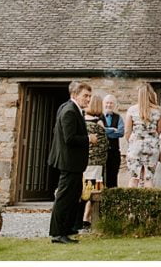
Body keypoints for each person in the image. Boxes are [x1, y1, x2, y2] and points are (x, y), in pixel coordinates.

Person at [48, 81, 97, 245]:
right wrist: (89, 138)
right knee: (64, 198)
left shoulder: (71, 108)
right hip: (69, 162)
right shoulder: (69, 111)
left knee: (72, 196)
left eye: (89, 96)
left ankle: (67, 229)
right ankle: (57, 234)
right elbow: (69, 138)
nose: (88, 99)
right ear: (75, 95)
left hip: (73, 162)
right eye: (85, 96)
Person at [124, 82, 161, 188]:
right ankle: (149, 204)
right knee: (148, 178)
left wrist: (133, 142)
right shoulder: (158, 111)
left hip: (135, 146)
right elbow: (160, 130)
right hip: (152, 146)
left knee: (134, 178)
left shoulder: (132, 110)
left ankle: (130, 204)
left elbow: (127, 132)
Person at [79, 92, 108, 230]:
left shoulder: (80, 121)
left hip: (82, 161)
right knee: (93, 190)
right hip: (95, 163)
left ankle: (79, 217)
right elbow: (103, 145)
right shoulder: (99, 123)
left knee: (83, 188)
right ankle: (87, 217)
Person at [101, 94, 124, 189]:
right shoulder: (99, 116)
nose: (109, 105)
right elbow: (99, 131)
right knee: (101, 177)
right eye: (107, 103)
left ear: (114, 105)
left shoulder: (119, 117)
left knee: (113, 176)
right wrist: (112, 130)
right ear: (103, 104)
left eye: (111, 103)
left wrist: (105, 130)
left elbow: (121, 132)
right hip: (102, 151)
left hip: (114, 151)